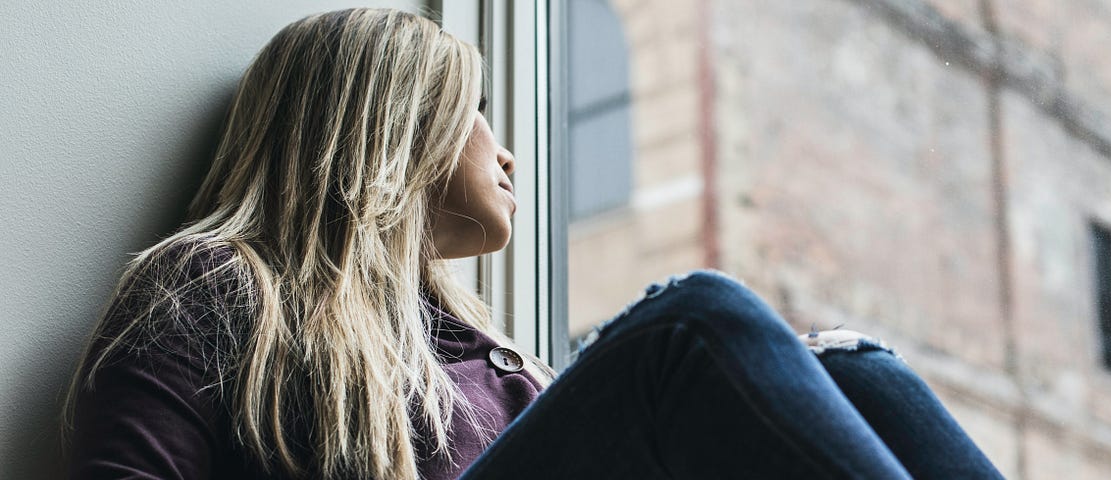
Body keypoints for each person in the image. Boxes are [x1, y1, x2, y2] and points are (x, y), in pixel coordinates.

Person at [63, 8, 1003, 479]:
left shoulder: (471, 347)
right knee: (694, 325)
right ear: (388, 123)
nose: (506, 151)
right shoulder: (219, 288)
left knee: (854, 363)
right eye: (474, 112)